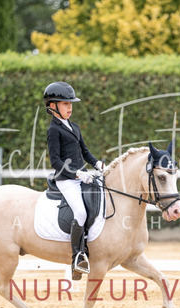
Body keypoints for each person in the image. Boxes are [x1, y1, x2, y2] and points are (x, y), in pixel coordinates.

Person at [43, 81, 104, 279]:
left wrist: (98, 164)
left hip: (82, 176)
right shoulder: (54, 130)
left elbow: (85, 151)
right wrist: (77, 174)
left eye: (70, 104)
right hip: (67, 180)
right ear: (53, 106)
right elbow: (55, 161)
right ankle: (77, 257)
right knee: (80, 211)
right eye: (65, 104)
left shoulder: (74, 127)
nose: (70, 107)